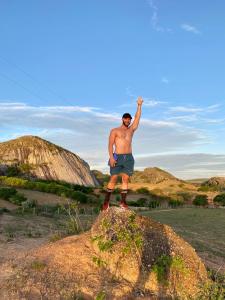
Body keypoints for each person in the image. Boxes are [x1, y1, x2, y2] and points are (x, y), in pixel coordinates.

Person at [102, 96, 144, 210]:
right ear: (122, 119)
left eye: (129, 119)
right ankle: (106, 202)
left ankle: (123, 202)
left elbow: (138, 118)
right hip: (117, 157)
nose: (128, 120)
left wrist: (139, 105)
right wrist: (111, 157)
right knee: (114, 178)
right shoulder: (115, 130)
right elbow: (110, 144)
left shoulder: (131, 130)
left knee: (125, 179)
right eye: (126, 119)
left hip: (129, 157)